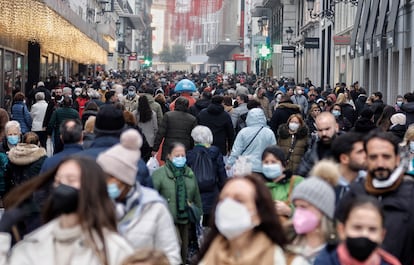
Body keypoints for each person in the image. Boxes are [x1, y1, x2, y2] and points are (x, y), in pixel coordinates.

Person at [0, 156, 134, 264]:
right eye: (58, 181)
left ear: (91, 187)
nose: (62, 186)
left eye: (71, 180)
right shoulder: (34, 242)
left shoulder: (113, 249)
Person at [97, 129, 181, 265]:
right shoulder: (92, 204)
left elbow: (170, 254)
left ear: (124, 179)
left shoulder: (154, 207)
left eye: (110, 177)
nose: (104, 181)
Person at [335, 130, 414, 265]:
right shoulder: (355, 192)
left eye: (386, 157)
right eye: (373, 157)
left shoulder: (411, 195)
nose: (380, 164)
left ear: (397, 159)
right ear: (366, 159)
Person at [193, 174, 308, 265]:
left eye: (239, 200)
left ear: (259, 213)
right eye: (223, 200)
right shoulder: (207, 257)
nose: (228, 205)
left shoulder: (289, 261)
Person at [152, 142, 202, 263]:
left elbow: (196, 196)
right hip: (167, 221)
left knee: (183, 251)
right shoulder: (159, 174)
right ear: (169, 156)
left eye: (182, 155)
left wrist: (198, 213)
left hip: (185, 219)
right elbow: (151, 197)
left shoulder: (189, 173)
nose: (180, 158)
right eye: (177, 155)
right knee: (175, 246)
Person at [315, 195, 401, 265]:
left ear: (382, 235)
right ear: (342, 230)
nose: (364, 234)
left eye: (372, 229)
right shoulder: (325, 261)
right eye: (357, 227)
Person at [289, 160, 339, 263]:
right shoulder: (286, 243)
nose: (298, 212)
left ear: (323, 210)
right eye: (296, 207)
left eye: (303, 207)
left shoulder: (336, 253)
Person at [186, 126, 227, 227]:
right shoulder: (215, 152)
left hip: (194, 196)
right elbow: (222, 175)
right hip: (212, 195)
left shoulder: (189, 155)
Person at [226, 108, 276, 174]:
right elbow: (273, 151)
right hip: (262, 166)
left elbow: (236, 150)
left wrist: (229, 163)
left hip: (244, 165)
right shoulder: (269, 132)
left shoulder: (243, 132)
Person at [261, 145, 304, 222]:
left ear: (284, 165)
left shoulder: (297, 182)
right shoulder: (260, 186)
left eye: (273, 162)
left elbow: (310, 212)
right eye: (266, 162)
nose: (269, 166)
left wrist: (289, 211)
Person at [152, 97, 197, 162]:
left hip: (169, 146)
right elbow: (193, 137)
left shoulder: (168, 115)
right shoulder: (192, 119)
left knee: (168, 167)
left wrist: (155, 148)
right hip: (184, 146)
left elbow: (161, 133)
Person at [296, 112, 339, 177]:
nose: (324, 133)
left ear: (336, 127)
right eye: (320, 130)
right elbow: (301, 173)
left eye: (327, 129)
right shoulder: (313, 150)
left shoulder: (348, 148)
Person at [331, 132, 367, 202]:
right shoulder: (325, 184)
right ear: (344, 158)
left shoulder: (369, 182)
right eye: (360, 152)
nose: (365, 155)